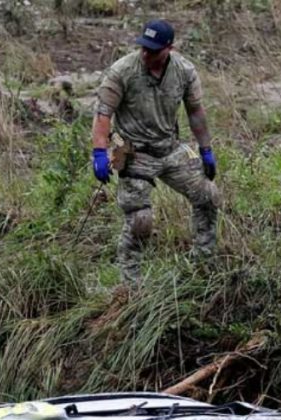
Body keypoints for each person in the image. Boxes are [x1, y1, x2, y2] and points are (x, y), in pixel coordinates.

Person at [91, 19, 221, 283]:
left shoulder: (184, 71)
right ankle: (131, 285)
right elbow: (103, 114)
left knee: (208, 196)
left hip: (170, 148)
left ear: (169, 48)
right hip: (134, 153)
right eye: (143, 48)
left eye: (153, 50)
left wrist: (206, 149)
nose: (146, 54)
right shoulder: (122, 71)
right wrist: (100, 153)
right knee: (141, 220)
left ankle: (203, 264)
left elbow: (195, 112)